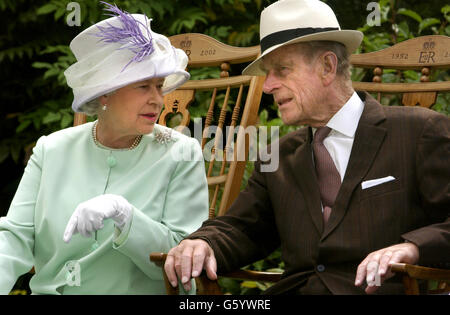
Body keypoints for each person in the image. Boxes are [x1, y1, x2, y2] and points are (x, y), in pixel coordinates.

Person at [164, 0, 450, 295]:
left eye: (281, 70)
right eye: (267, 73)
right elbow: (242, 228)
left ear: (328, 66)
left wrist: (413, 248)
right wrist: (202, 243)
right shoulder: (278, 156)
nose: (267, 85)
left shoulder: (419, 133)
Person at [0, 2, 208, 295]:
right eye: (143, 87)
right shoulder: (51, 150)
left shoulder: (181, 153)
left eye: (159, 86)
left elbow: (184, 261)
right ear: (105, 94)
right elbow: (14, 237)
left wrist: (126, 216)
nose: (158, 100)